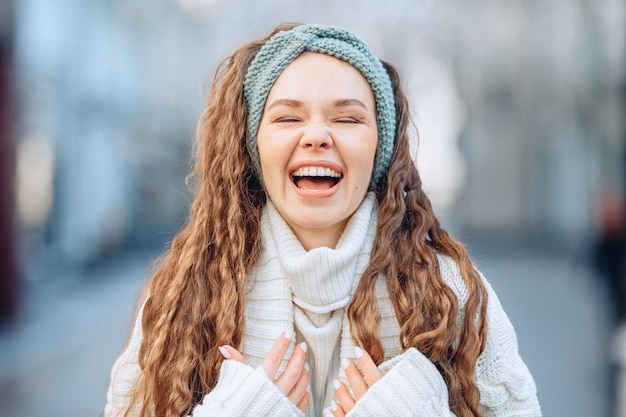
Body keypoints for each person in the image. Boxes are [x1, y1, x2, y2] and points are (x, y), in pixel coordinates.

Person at [104, 23, 541, 417]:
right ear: (254, 147)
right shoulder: (188, 292)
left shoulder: (450, 293)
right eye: (288, 117)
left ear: (379, 148)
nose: (316, 136)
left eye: (347, 118)